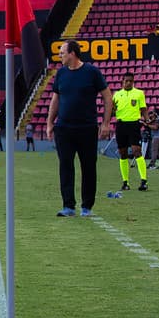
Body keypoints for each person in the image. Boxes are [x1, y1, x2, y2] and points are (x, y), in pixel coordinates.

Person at [50, 40, 106, 216]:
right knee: (65, 166)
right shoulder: (61, 74)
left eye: (62, 53)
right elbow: (55, 99)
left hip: (87, 128)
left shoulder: (92, 72)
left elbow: (107, 97)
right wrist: (49, 122)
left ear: (72, 53)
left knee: (88, 167)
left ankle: (87, 206)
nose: (60, 56)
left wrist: (105, 123)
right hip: (64, 128)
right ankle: (68, 206)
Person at [111, 71, 148, 191]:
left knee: (137, 151)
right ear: (122, 81)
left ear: (133, 82)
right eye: (126, 81)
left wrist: (147, 119)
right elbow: (112, 110)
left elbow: (143, 108)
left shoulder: (139, 94)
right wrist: (111, 110)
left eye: (130, 81)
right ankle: (125, 182)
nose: (128, 83)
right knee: (123, 153)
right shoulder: (117, 95)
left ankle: (143, 180)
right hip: (121, 125)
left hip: (133, 124)